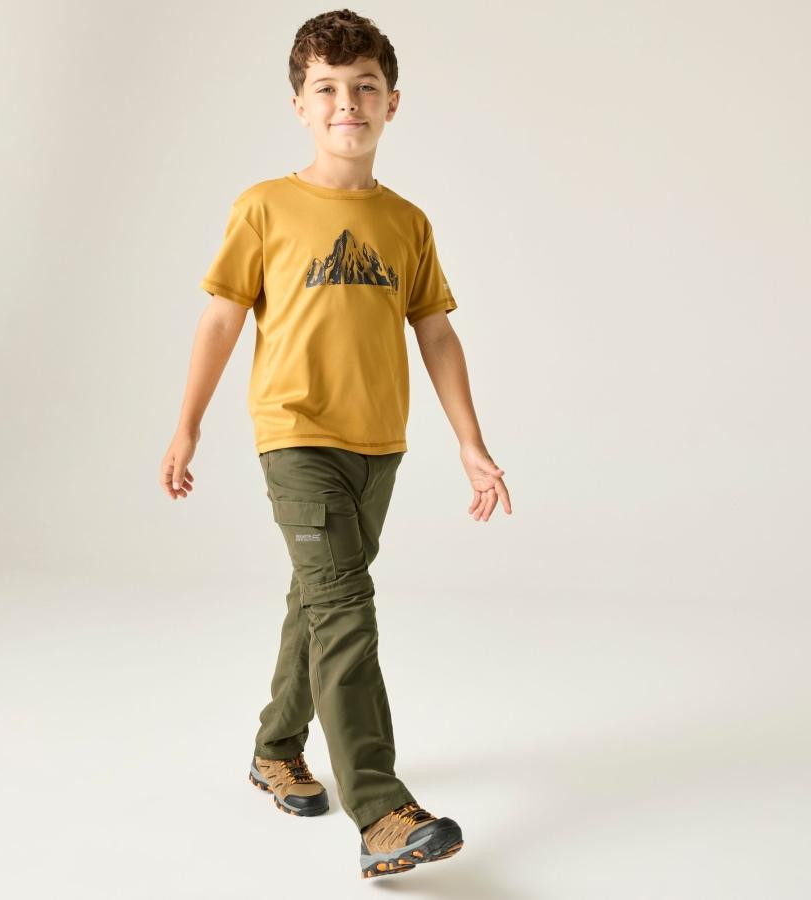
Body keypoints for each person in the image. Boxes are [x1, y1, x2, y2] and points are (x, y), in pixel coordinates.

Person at [158, 8, 512, 880]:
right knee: (346, 609)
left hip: (378, 446)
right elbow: (221, 317)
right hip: (295, 436)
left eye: (364, 87)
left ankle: (275, 748)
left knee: (317, 600)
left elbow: (436, 332)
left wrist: (471, 443)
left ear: (392, 103)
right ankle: (383, 812)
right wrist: (187, 424)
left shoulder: (407, 222)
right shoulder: (265, 207)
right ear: (300, 105)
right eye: (327, 88)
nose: (346, 103)